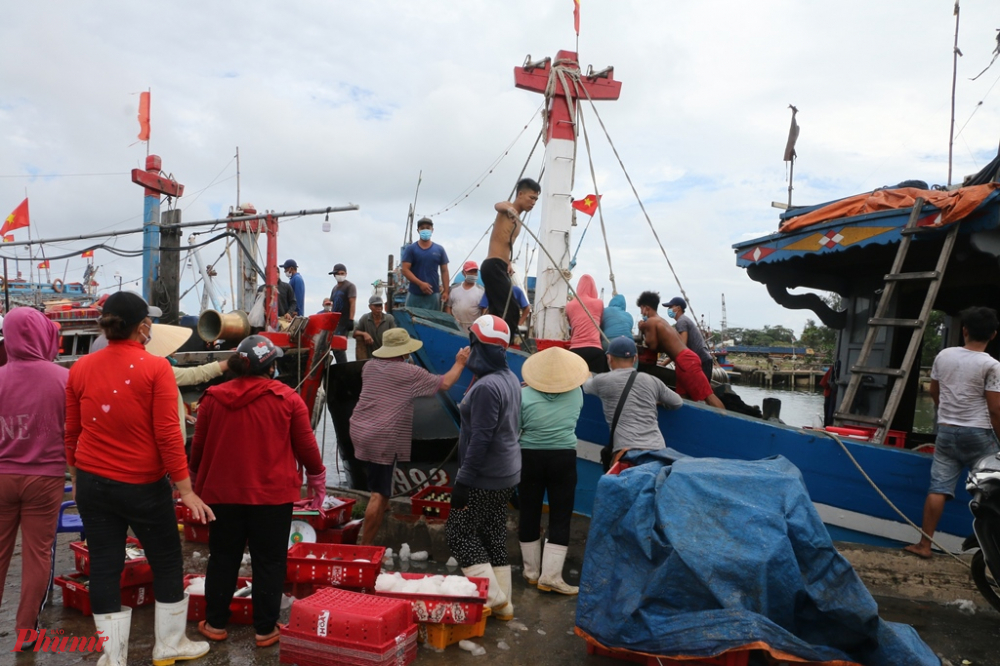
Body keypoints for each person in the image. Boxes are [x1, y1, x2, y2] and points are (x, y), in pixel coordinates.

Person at [65, 291, 213, 666]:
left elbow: (72, 432)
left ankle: (112, 657)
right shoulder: (155, 368)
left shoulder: (80, 368)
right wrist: (186, 489)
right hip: (143, 485)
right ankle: (169, 645)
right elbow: (168, 435)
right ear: (144, 326)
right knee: (165, 561)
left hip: (93, 482)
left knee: (104, 564)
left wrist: (76, 476)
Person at [190, 335, 326, 647]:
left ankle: (215, 624)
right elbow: (307, 447)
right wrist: (317, 480)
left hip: (221, 496)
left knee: (222, 557)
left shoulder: (212, 397)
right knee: (270, 561)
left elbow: (197, 448)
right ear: (270, 366)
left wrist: (193, 483)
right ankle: (265, 629)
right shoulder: (287, 398)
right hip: (272, 497)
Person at [350, 328, 469, 545]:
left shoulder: (369, 366)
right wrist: (460, 362)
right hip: (382, 437)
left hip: (360, 430)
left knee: (378, 479)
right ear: (404, 351)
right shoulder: (409, 373)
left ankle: (383, 504)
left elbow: (391, 381)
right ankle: (365, 548)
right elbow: (445, 383)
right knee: (378, 493)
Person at [905, 307, 1000, 559]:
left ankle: (924, 545)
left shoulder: (944, 355)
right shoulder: (991, 365)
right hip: (979, 434)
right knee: (994, 488)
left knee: (938, 489)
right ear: (993, 335)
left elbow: (935, 392)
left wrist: (947, 415)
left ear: (964, 330)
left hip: (946, 432)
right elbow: (995, 410)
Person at [0, 308, 69, 643]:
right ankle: (26, 631)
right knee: (37, 554)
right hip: (46, 477)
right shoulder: (63, 379)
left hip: (1, 476)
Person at [446, 315, 521, 621]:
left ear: (480, 347)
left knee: (459, 534)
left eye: (472, 343)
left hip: (485, 476)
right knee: (491, 533)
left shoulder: (488, 387)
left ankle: (496, 600)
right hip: (506, 472)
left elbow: (481, 439)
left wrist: (462, 483)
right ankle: (505, 606)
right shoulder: (509, 378)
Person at [517, 347, 589, 596]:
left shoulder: (522, 395)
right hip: (563, 458)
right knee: (560, 514)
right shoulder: (576, 393)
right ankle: (550, 577)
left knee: (529, 511)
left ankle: (530, 572)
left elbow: (517, 427)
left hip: (529, 457)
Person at [583, 337, 683, 467]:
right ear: (635, 358)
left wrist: (588, 375)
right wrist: (657, 401)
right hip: (657, 451)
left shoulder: (602, 381)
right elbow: (677, 402)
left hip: (627, 453)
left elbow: (585, 386)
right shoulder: (652, 380)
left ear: (609, 358)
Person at [637, 291, 725, 410]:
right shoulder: (662, 321)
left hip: (686, 361)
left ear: (646, 308)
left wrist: (642, 328)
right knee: (682, 398)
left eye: (641, 309)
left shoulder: (651, 322)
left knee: (708, 395)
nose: (641, 313)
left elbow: (652, 346)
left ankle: (723, 420)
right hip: (683, 360)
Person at [483, 179, 540, 333]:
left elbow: (505, 243)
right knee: (511, 310)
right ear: (520, 194)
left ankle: (492, 342)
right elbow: (498, 205)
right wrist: (510, 210)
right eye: (531, 198)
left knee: (497, 310)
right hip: (493, 265)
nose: (533, 202)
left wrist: (508, 262)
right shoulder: (507, 208)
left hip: (501, 265)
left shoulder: (519, 221)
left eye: (536, 199)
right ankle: (502, 343)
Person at [401, 218, 450, 310]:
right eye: (422, 228)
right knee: (410, 320)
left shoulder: (439, 249)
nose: (425, 230)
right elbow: (405, 270)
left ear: (432, 230)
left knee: (433, 322)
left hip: (433, 294)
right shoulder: (411, 249)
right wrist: (420, 284)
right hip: (414, 294)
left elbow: (444, 271)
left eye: (428, 228)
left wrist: (446, 291)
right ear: (418, 230)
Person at [664, 296, 713, 382]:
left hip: (702, 361)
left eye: (671, 307)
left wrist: (665, 363)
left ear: (678, 308)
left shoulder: (681, 322)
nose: (669, 309)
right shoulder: (683, 320)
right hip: (702, 360)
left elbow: (682, 347)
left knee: (702, 392)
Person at [566, 274, 607, 373]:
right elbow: (599, 323)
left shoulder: (569, 305)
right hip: (594, 349)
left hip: (575, 350)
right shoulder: (599, 303)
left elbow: (571, 325)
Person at [446, 260, 485, 333]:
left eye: (475, 272)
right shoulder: (454, 289)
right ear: (463, 273)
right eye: (470, 272)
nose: (473, 274)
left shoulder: (481, 291)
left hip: (472, 330)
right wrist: (452, 320)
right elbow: (448, 306)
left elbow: (484, 311)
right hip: (455, 328)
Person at [329, 263, 357, 364]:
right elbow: (333, 304)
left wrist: (351, 319)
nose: (340, 275)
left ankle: (343, 366)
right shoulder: (335, 288)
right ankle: (339, 365)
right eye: (338, 273)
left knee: (339, 347)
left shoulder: (350, 286)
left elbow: (352, 302)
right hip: (335, 323)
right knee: (333, 347)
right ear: (334, 275)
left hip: (344, 322)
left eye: (342, 273)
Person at [353, 295, 397, 360]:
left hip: (386, 354)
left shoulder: (389, 318)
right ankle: (362, 364)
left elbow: (395, 335)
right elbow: (354, 333)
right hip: (370, 355)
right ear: (370, 307)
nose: (378, 307)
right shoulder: (365, 318)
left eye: (380, 305)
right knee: (359, 337)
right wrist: (364, 334)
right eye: (376, 305)